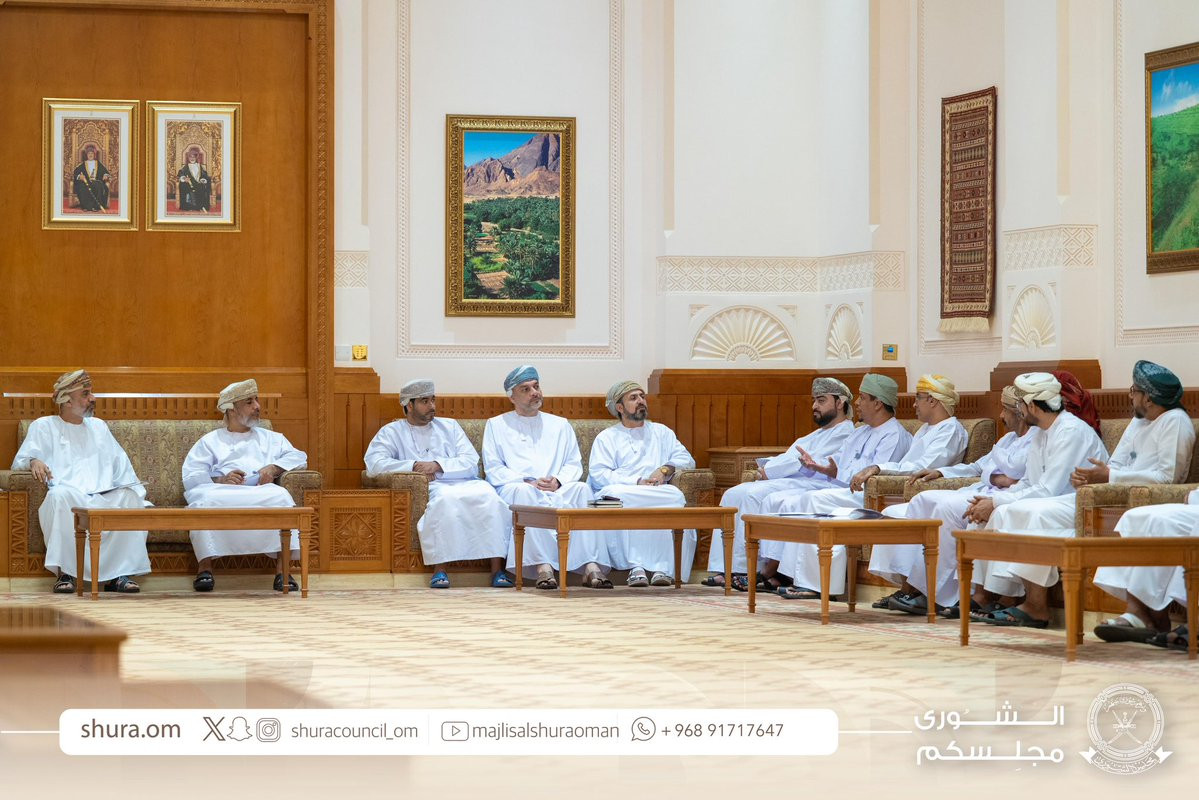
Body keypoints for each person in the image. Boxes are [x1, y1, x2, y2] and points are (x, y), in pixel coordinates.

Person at [766, 374, 967, 599]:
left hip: (880, 494)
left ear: (932, 400)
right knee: (803, 500)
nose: (913, 404)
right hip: (853, 490)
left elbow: (921, 467)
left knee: (812, 500)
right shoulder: (918, 430)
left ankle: (812, 582)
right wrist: (827, 469)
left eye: (862, 397)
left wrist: (877, 468)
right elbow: (843, 466)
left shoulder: (945, 430)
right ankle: (798, 577)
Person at [869, 384, 1036, 616]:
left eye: (1005, 410)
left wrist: (997, 478)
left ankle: (934, 593)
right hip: (982, 488)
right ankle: (911, 587)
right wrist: (942, 472)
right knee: (923, 499)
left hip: (998, 496)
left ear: (1019, 412)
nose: (1001, 416)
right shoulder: (1008, 439)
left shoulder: (1036, 439)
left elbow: (1017, 478)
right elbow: (978, 467)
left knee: (946, 508)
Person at [964, 372, 1110, 627]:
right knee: (1000, 513)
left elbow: (1048, 489)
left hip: (1082, 503)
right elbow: (1030, 483)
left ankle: (1036, 607)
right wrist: (993, 501)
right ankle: (997, 596)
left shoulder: (1070, 431)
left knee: (1028, 512)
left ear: (1031, 406)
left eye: (1020, 404)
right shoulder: (1042, 432)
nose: (1019, 411)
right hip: (1054, 500)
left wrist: (997, 502)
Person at [704, 377, 855, 586]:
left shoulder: (845, 432)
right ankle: (727, 566)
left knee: (752, 495)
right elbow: (790, 456)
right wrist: (768, 468)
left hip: (815, 484)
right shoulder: (816, 434)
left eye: (821, 401)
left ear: (840, 403)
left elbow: (807, 462)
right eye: (814, 400)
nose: (814, 406)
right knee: (733, 493)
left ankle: (749, 569)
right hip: (791, 481)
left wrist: (769, 471)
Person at [365, 378, 512, 589]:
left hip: (463, 480)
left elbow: (471, 460)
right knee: (445, 500)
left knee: (491, 498)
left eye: (433, 400)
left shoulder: (450, 426)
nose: (432, 406)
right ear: (409, 405)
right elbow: (374, 463)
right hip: (434, 487)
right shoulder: (392, 432)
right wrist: (413, 466)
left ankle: (497, 570)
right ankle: (440, 570)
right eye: (425, 401)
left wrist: (437, 465)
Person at [1087, 362, 1195, 646]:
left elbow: (1169, 477)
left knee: (1145, 517)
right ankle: (1143, 614)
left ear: (1148, 397)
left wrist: (1111, 476)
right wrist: (1099, 474)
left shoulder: (1175, 421)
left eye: (1134, 391)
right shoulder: (1138, 420)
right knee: (1138, 518)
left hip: (1163, 496)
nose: (1130, 396)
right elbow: (1115, 463)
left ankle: (1147, 616)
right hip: (1143, 496)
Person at [11, 370, 148, 593]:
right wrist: (34, 461)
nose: (92, 398)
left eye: (91, 393)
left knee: (130, 497)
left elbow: (121, 465)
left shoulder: (99, 426)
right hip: (70, 496)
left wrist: (133, 491)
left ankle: (119, 574)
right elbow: (20, 461)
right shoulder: (44, 426)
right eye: (85, 394)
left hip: (103, 496)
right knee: (57, 496)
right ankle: (66, 573)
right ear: (67, 401)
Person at [482, 366, 609, 589]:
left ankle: (590, 565)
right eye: (526, 389)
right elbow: (493, 467)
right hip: (517, 486)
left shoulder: (560, 424)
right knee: (525, 493)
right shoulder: (496, 425)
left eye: (536, 386)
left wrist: (558, 481)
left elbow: (573, 463)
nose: (535, 392)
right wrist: (527, 480)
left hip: (557, 487)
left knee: (582, 490)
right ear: (512, 397)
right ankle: (542, 567)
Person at [183, 379, 308, 592]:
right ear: (232, 409)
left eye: (257, 400)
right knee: (205, 501)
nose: (257, 407)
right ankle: (205, 569)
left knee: (282, 497)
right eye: (249, 402)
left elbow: (299, 457)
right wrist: (221, 480)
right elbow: (191, 475)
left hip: (260, 490)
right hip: (222, 492)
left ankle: (283, 572)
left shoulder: (272, 438)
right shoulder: (210, 441)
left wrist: (274, 468)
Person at [588, 380, 697, 586]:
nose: (641, 401)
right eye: (633, 398)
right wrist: (636, 481)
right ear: (620, 408)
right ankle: (635, 567)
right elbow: (598, 475)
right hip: (624, 491)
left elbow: (686, 459)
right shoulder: (607, 437)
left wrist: (665, 470)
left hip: (655, 491)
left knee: (675, 496)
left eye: (642, 396)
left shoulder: (661, 432)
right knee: (618, 497)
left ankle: (663, 569)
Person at [71, 145, 111, 211]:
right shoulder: (82, 164)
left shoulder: (98, 164)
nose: (90, 155)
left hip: (96, 181)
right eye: (89, 153)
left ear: (94, 155)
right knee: (82, 187)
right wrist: (79, 176)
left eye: (92, 153)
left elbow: (105, 172)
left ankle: (96, 207)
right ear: (86, 155)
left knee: (99, 186)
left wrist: (105, 175)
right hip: (86, 182)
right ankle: (86, 207)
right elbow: (75, 173)